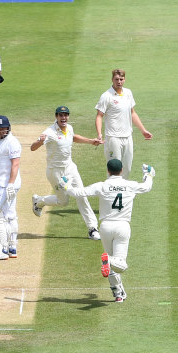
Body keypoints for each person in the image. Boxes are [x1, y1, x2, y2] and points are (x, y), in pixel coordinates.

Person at [60, 159, 155, 302]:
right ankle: (109, 261)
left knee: (113, 263)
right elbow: (147, 187)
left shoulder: (102, 186)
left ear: (108, 171)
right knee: (120, 264)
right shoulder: (130, 185)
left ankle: (118, 294)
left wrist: (66, 186)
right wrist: (149, 175)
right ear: (121, 170)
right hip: (122, 226)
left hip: (105, 227)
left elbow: (80, 192)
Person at [30, 106, 104, 241]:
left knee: (82, 195)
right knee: (63, 202)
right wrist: (40, 141)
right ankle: (39, 201)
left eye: (65, 115)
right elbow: (32, 148)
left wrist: (90, 141)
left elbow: (73, 137)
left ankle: (92, 228)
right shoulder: (50, 132)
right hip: (55, 172)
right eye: (60, 115)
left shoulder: (69, 128)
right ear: (56, 117)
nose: (63, 118)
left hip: (70, 168)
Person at [95, 69, 152, 179]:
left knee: (127, 169)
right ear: (112, 80)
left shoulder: (128, 93)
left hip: (127, 137)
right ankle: (111, 195)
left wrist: (143, 130)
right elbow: (99, 116)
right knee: (114, 171)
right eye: (116, 79)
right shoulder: (106, 96)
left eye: (121, 79)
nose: (119, 82)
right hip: (113, 138)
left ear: (124, 80)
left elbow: (132, 113)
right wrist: (99, 133)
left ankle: (123, 195)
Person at [0, 115, 21, 260]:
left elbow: (15, 164)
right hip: (2, 183)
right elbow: (2, 165)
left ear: (8, 128)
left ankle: (0, 251)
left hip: (7, 185)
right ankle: (12, 248)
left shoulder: (12, 142)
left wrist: (11, 184)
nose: (2, 131)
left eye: (4, 128)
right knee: (10, 214)